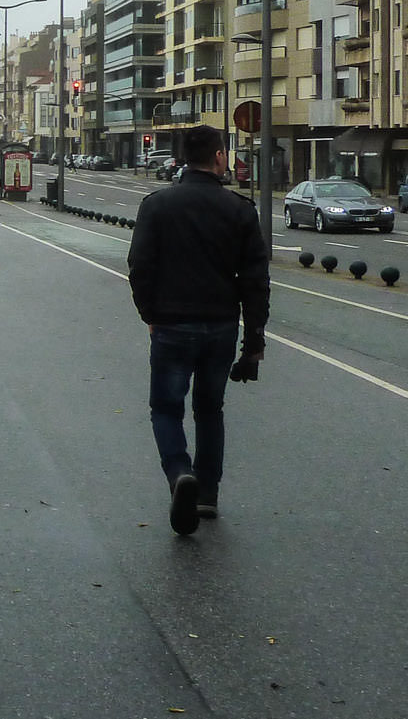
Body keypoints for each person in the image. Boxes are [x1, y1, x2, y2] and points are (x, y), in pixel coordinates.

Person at [127, 124, 270, 535]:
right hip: (221, 326)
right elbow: (255, 280)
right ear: (220, 157)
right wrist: (254, 340)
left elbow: (139, 266)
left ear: (181, 159)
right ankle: (206, 493)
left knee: (166, 408)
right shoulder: (239, 210)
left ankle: (179, 474)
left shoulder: (157, 205)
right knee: (210, 410)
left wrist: (149, 314)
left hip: (170, 325)